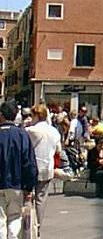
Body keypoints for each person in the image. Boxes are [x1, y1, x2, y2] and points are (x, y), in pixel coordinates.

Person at [0, 101, 38, 239]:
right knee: (15, 217)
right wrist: (29, 186)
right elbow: (29, 163)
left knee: (0, 219)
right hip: (16, 184)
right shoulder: (22, 135)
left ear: (1, 115)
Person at [27, 104, 61, 234]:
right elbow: (58, 150)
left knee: (28, 197)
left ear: (37, 115)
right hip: (47, 167)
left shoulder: (31, 131)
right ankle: (38, 227)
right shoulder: (54, 131)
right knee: (41, 199)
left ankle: (28, 226)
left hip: (32, 167)